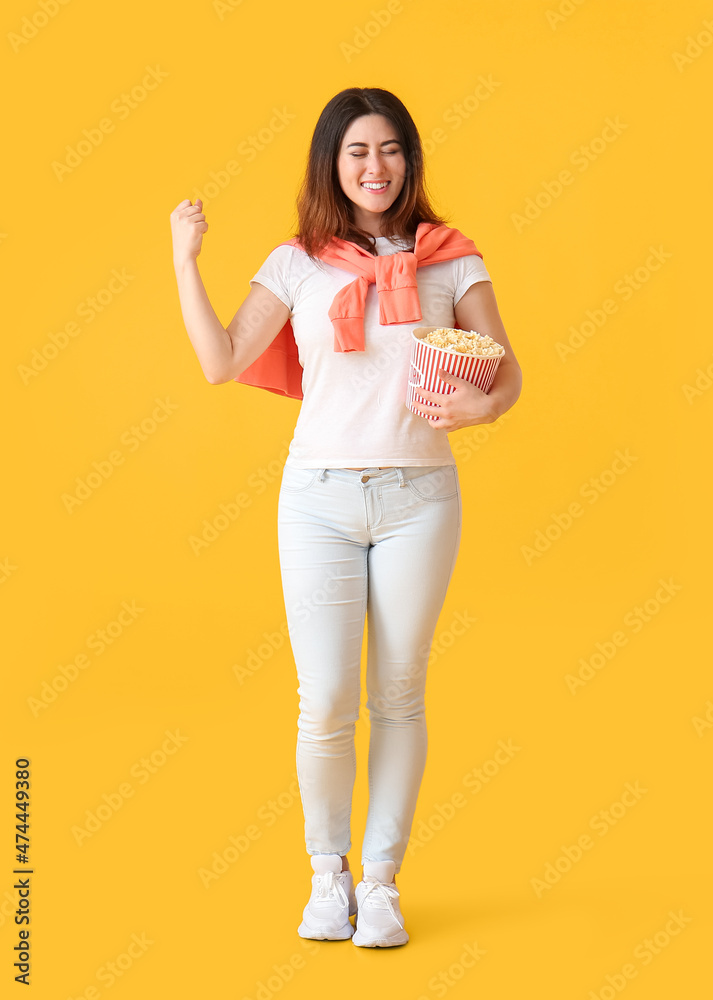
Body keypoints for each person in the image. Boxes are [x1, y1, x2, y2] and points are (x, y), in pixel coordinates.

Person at [170, 87, 522, 948]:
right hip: (318, 498)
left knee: (398, 697)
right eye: (358, 150)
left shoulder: (449, 260)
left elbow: (506, 373)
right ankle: (327, 879)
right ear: (333, 162)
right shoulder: (297, 262)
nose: (376, 166)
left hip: (419, 499)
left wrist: (485, 410)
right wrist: (185, 257)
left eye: (391, 149)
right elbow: (220, 361)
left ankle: (382, 883)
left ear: (410, 161)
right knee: (324, 700)